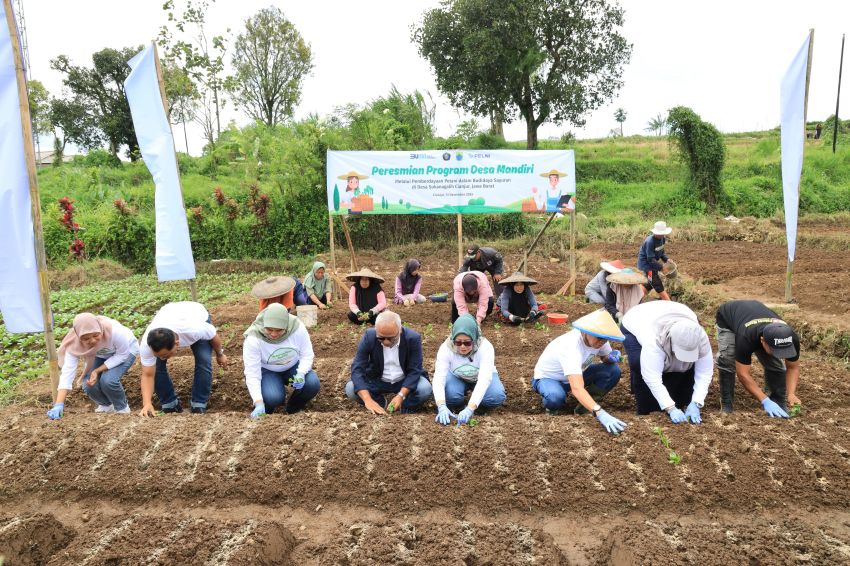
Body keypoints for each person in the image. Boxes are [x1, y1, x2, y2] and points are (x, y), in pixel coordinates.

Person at [531, 309, 627, 434]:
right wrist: (600, 413)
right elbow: (577, 388)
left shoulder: (600, 340)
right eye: (599, 338)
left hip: (577, 374)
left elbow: (604, 357)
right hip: (549, 378)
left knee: (612, 371)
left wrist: (610, 357)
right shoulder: (571, 347)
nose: (602, 342)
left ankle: (583, 409)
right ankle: (552, 411)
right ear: (587, 331)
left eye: (605, 339)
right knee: (555, 397)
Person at [621, 301, 713, 424]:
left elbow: (704, 372)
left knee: (689, 371)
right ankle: (644, 404)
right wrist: (670, 408)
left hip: (678, 310)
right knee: (638, 363)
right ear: (671, 341)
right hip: (637, 318)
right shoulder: (654, 341)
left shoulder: (700, 339)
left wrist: (696, 401)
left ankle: (681, 399)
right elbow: (652, 377)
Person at [137, 301, 228, 416]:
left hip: (195, 313)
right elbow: (147, 374)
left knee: (203, 360)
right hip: (168, 311)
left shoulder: (194, 330)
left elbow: (213, 335)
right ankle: (170, 405)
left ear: (177, 343)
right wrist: (147, 403)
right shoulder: (147, 345)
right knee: (157, 367)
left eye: (165, 355)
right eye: (158, 355)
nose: (161, 357)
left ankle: (199, 403)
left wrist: (220, 354)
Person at [715, 300, 801, 418]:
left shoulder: (790, 337)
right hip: (728, 318)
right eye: (775, 350)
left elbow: (793, 367)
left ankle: (777, 401)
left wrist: (791, 394)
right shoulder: (746, 338)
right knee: (727, 359)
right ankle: (726, 403)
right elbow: (743, 374)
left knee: (776, 365)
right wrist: (764, 400)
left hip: (756, 318)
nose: (780, 354)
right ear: (762, 341)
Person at [47, 313, 139, 419]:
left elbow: (122, 354)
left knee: (108, 381)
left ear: (100, 329)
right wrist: (59, 404)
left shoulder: (114, 331)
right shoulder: (73, 344)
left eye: (96, 335)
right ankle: (106, 406)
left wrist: (97, 370)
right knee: (88, 384)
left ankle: (122, 409)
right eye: (86, 339)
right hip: (101, 353)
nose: (93, 340)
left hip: (126, 351)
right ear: (79, 336)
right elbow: (67, 373)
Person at [345, 311, 432, 415]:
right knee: (351, 388)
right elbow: (357, 368)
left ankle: (403, 407)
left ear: (400, 330)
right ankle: (381, 404)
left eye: (391, 338)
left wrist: (401, 396)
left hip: (404, 379)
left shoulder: (412, 338)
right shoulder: (369, 336)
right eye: (381, 338)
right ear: (376, 331)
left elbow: (415, 370)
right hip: (378, 380)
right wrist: (368, 400)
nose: (386, 342)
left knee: (425, 389)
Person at [243, 303, 320, 418]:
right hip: (268, 370)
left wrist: (301, 373)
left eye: (279, 330)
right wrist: (258, 402)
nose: (274, 334)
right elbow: (252, 373)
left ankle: (293, 408)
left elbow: (307, 354)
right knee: (273, 397)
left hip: (293, 366)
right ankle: (265, 411)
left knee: (312, 384)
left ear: (286, 326)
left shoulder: (296, 328)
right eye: (269, 329)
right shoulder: (254, 338)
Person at [433, 314, 506, 425]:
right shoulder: (445, 348)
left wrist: (470, 408)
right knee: (450, 396)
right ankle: (458, 407)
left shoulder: (486, 348)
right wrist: (441, 406)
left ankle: (479, 409)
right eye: (458, 342)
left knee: (496, 396)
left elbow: (484, 380)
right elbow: (439, 378)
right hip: (457, 377)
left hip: (479, 377)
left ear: (475, 339)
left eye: (467, 342)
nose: (462, 346)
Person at [638, 220, 673, 301]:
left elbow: (661, 252)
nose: (661, 235)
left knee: (650, 283)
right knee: (656, 283)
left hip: (653, 264)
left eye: (662, 233)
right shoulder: (649, 242)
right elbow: (650, 259)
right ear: (655, 232)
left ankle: (636, 298)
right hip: (647, 265)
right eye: (659, 233)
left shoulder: (662, 239)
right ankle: (669, 303)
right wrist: (661, 268)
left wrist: (667, 259)